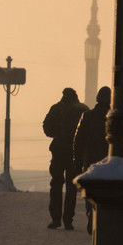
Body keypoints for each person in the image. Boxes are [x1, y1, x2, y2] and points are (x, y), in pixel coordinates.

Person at [43, 88, 89, 230]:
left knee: (56, 184)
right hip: (75, 154)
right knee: (71, 187)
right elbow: (88, 132)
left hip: (58, 152)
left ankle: (56, 219)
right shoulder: (83, 110)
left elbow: (46, 128)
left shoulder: (56, 108)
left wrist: (59, 132)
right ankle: (68, 220)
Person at [74, 86, 112, 233]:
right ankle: (101, 219)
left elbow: (78, 140)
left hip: (90, 161)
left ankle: (91, 215)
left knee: (90, 191)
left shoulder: (87, 116)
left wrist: (76, 159)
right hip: (108, 162)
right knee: (106, 191)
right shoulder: (112, 116)